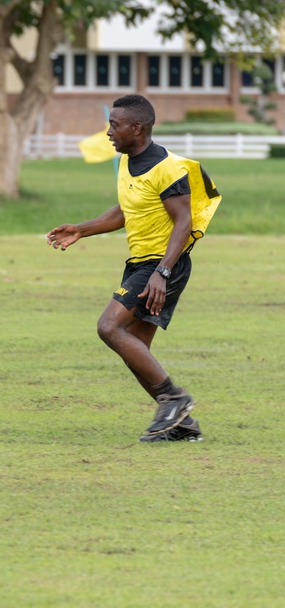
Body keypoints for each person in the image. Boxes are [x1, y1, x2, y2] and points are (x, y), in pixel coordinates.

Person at [46, 94, 220, 443]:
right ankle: (182, 425)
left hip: (162, 264)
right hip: (141, 263)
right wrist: (81, 229)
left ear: (136, 128)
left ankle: (175, 399)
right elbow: (127, 210)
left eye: (115, 125)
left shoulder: (168, 168)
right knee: (135, 349)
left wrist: (163, 272)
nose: (109, 131)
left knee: (109, 327)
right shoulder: (128, 161)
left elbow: (182, 221)